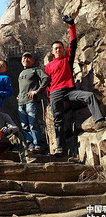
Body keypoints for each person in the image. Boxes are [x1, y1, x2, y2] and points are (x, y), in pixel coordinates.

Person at [45, 15, 106, 156]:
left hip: (69, 91)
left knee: (89, 96)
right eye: (56, 48)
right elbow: (47, 82)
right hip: (55, 94)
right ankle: (61, 148)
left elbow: (73, 42)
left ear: (62, 49)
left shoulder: (67, 59)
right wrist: (49, 96)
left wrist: (72, 25)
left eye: (60, 48)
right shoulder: (48, 66)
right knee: (58, 121)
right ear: (52, 51)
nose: (58, 50)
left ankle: (99, 121)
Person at [18, 52, 50, 154]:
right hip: (21, 102)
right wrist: (19, 95)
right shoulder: (21, 73)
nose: (26, 60)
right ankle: (30, 144)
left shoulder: (35, 70)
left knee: (33, 123)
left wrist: (37, 91)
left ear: (32, 60)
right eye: (24, 58)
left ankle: (38, 144)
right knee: (24, 126)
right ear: (21, 60)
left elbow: (46, 78)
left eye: (28, 58)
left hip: (31, 101)